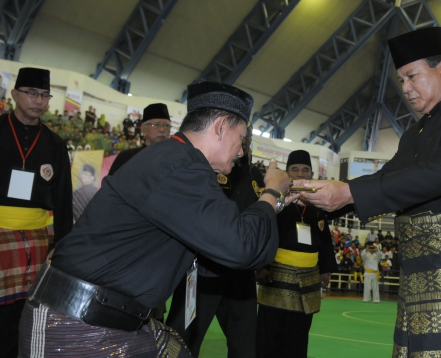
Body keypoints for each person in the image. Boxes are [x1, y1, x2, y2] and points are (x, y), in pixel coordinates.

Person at [18, 81, 296, 357]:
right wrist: (271, 192)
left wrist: (273, 204)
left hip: (107, 319)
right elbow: (240, 246)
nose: (240, 151)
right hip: (75, 326)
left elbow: (221, 247)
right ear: (221, 126)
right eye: (242, 138)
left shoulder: (177, 160)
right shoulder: (179, 166)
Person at [297, 27, 441, 357]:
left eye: (412, 76)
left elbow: (438, 174)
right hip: (421, 273)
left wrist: (348, 192)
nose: (405, 89)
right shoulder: (415, 132)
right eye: (401, 81)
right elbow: (388, 179)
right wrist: (313, 196)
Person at [166, 122, 265, 358]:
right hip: (203, 267)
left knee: (245, 343)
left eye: (248, 137)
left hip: (241, 271)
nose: (246, 141)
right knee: (183, 339)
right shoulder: (211, 165)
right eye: (242, 136)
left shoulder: (256, 175)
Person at [0, 67, 73, 358]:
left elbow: (64, 201)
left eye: (44, 95)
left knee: (26, 313)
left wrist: (62, 249)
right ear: (15, 95)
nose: (38, 100)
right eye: (31, 93)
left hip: (37, 242)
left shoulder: (55, 144)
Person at [255, 150, 337, 358]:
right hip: (276, 276)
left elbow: (324, 238)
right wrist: (261, 266)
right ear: (287, 172)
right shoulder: (275, 198)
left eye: (305, 169)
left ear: (311, 174)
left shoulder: (318, 204)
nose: (300, 173)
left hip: (308, 280)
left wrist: (325, 269)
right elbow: (263, 230)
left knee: (299, 335)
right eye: (295, 169)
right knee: (269, 334)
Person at [108, 103, 171, 175]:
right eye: (156, 125)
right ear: (144, 129)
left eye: (166, 125)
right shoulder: (126, 158)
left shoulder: (174, 160)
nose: (162, 129)